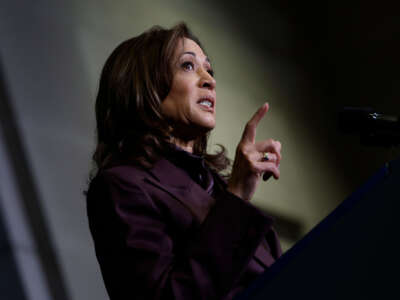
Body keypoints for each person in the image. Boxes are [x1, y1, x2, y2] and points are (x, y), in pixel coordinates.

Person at [86, 22, 282, 300]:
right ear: (144, 86)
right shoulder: (121, 185)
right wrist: (237, 195)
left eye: (209, 69)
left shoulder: (216, 187)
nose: (209, 80)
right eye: (188, 66)